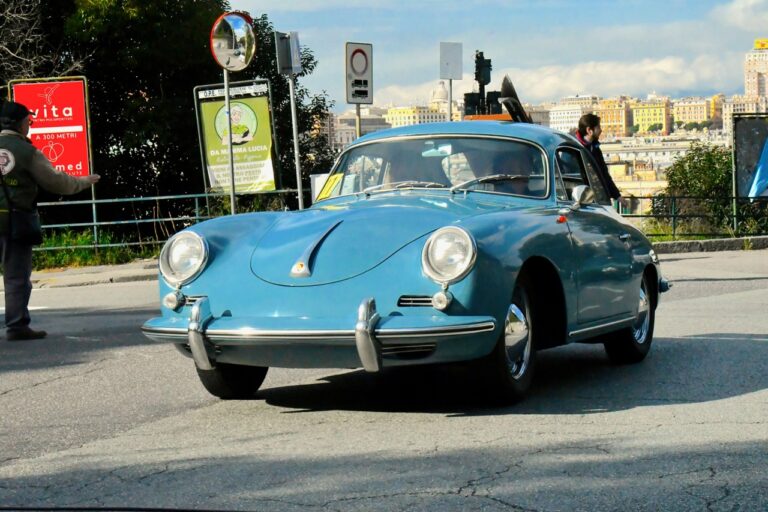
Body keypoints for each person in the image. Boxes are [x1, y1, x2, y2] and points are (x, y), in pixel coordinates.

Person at [0, 101, 100, 341]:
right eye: (29, 122)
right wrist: (85, 181)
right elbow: (57, 182)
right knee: (16, 277)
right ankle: (16, 326)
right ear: (20, 123)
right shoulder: (27, 151)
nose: (30, 126)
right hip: (13, 221)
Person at [575, 113, 621, 201]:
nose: (601, 130)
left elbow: (603, 173)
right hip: (583, 198)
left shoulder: (595, 147)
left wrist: (617, 195)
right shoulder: (575, 148)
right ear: (589, 130)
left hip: (597, 197)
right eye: (598, 127)